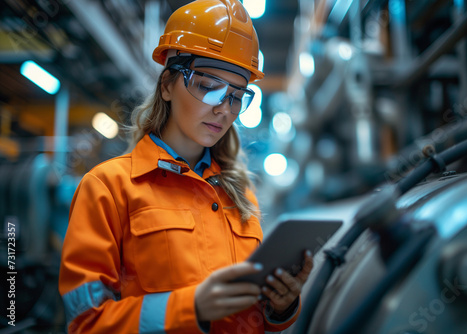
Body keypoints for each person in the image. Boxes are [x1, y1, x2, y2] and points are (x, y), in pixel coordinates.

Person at [58, 0, 313, 333]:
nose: (224, 109)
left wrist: (281, 306)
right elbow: (85, 323)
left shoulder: (238, 194)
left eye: (237, 96)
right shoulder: (108, 188)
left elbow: (255, 315)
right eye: (208, 87)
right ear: (166, 85)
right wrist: (190, 308)